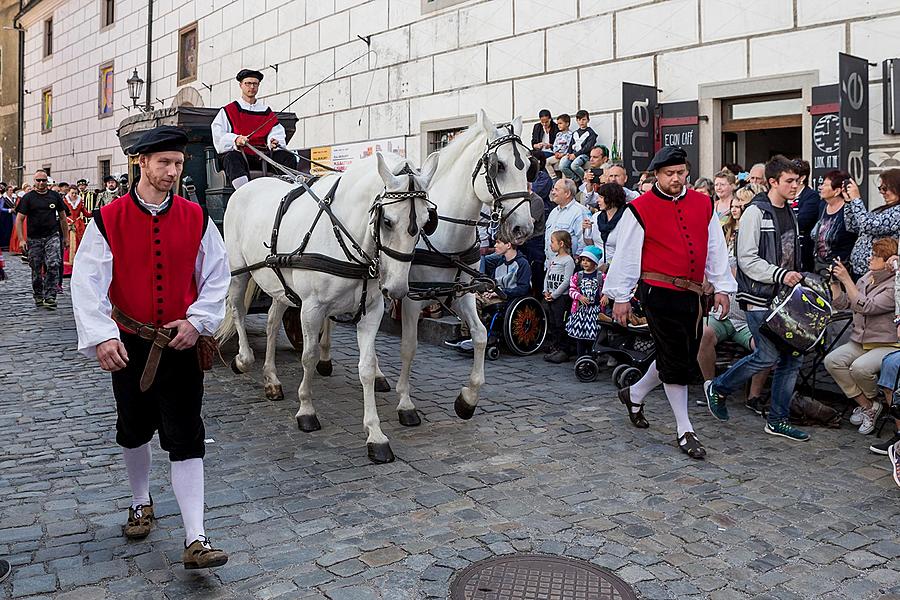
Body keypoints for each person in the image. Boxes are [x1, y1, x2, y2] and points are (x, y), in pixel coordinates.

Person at [71, 125, 231, 570]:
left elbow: (217, 275)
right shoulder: (109, 218)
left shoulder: (197, 217)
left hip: (179, 343)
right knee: (134, 427)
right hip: (129, 344)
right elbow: (87, 282)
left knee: (187, 435)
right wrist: (102, 336)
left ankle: (196, 537)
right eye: (165, 163)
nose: (173, 171)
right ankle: (140, 501)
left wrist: (197, 321)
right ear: (141, 163)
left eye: (178, 164)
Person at [604, 146, 736, 459]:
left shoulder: (703, 203)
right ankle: (685, 428)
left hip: (692, 294)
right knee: (675, 358)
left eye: (680, 173)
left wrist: (722, 287)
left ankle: (634, 393)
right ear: (657, 175)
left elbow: (716, 246)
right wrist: (620, 297)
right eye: (669, 174)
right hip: (657, 292)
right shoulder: (642, 207)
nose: (676, 178)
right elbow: (626, 254)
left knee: (677, 355)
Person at [704, 155, 810, 442]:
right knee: (767, 355)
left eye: (798, 181)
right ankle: (720, 387)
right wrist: (779, 275)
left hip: (785, 301)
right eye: (789, 181)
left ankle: (778, 419)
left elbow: (791, 254)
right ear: (773, 182)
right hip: (759, 299)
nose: (795, 185)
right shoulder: (755, 212)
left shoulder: (791, 212)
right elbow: (746, 259)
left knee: (791, 359)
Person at [824, 238, 898, 435]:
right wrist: (836, 284)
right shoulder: (866, 277)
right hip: (861, 340)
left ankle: (875, 404)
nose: (869, 258)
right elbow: (844, 303)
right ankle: (869, 405)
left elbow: (867, 306)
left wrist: (847, 279)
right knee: (832, 360)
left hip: (887, 343)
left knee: (860, 368)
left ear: (888, 261)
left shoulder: (894, 286)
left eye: (875, 256)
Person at [211, 68, 298, 190]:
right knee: (231, 158)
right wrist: (236, 139)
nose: (252, 87)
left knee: (287, 157)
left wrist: (273, 141)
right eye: (248, 83)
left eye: (255, 84)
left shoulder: (266, 111)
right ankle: (245, 193)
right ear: (241, 85)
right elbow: (218, 134)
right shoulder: (229, 110)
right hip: (241, 155)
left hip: (263, 156)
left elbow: (276, 131)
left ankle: (286, 191)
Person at [446, 234, 532, 350]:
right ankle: (466, 336)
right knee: (466, 297)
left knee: (474, 301)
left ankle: (477, 335)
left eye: (498, 242)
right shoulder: (499, 261)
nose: (495, 246)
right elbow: (493, 281)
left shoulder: (522, 264)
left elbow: (523, 288)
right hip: (494, 294)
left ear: (508, 245)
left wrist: (499, 292)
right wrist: (490, 290)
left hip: (509, 298)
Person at [15, 170, 68, 309]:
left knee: (53, 264)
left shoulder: (54, 196)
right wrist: (21, 239)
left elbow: (63, 218)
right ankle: (38, 294)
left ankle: (51, 296)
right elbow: (19, 219)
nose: (41, 183)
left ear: (47, 182)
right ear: (34, 181)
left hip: (52, 236)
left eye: (43, 180)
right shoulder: (28, 198)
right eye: (38, 180)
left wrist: (66, 237)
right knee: (36, 269)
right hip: (34, 239)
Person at [843, 169, 900, 278]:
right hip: (860, 271)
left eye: (885, 188)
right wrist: (849, 202)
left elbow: (869, 226)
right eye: (880, 188)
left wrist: (856, 199)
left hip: (878, 273)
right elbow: (853, 227)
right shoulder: (882, 210)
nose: (882, 192)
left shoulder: (897, 212)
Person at [810, 169, 856, 277]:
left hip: (840, 271)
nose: (820, 187)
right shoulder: (822, 206)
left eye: (825, 185)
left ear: (837, 191)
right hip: (819, 268)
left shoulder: (848, 210)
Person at [566, 246, 605, 358]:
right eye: (583, 260)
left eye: (588, 261)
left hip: (595, 311)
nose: (585, 263)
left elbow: (607, 287)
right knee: (580, 336)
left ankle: (593, 358)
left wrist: (605, 295)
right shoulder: (577, 276)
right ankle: (580, 357)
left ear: (595, 263)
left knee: (593, 335)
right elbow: (571, 290)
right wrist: (579, 297)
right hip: (581, 311)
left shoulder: (601, 276)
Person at [543, 230, 575, 362]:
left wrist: (555, 294)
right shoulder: (554, 259)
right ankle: (555, 346)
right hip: (550, 296)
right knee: (552, 322)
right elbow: (547, 275)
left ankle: (564, 349)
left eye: (552, 242)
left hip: (561, 298)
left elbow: (567, 280)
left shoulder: (568, 261)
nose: (550, 245)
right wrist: (545, 290)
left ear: (561, 243)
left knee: (560, 323)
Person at [545, 178, 589, 266]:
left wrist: (577, 260)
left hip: (568, 267)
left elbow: (583, 240)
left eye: (557, 189)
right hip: (551, 267)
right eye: (553, 189)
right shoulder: (553, 212)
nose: (553, 192)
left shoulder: (579, 211)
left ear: (567, 193)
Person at [584, 182, 626, 266]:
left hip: (617, 268)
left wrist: (608, 266)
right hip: (598, 269)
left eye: (601, 197)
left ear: (612, 198)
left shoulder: (626, 218)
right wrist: (586, 230)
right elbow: (590, 243)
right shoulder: (596, 217)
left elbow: (627, 250)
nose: (597, 200)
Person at [560, 110, 597, 182]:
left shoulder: (591, 133)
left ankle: (584, 180)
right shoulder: (575, 133)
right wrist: (568, 153)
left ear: (588, 120)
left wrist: (575, 154)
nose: (581, 122)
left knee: (574, 166)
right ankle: (576, 179)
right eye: (579, 120)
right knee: (562, 166)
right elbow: (571, 144)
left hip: (584, 155)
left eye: (584, 119)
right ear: (577, 120)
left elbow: (587, 148)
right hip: (573, 154)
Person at [62, 186, 91, 276]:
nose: (74, 195)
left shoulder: (80, 202)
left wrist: (95, 213)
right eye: (72, 193)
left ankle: (77, 267)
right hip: (68, 224)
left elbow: (85, 213)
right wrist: (67, 222)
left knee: (79, 245)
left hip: (79, 225)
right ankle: (67, 268)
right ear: (69, 193)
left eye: (75, 193)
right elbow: (62, 214)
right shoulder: (65, 201)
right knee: (67, 245)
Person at [545, 114, 572, 178]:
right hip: (557, 156)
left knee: (563, 167)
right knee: (546, 162)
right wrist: (556, 152)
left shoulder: (571, 135)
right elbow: (555, 145)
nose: (558, 125)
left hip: (565, 156)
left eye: (560, 123)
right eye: (558, 124)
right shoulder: (558, 134)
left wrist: (563, 154)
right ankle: (554, 177)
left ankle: (563, 182)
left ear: (567, 124)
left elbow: (569, 147)